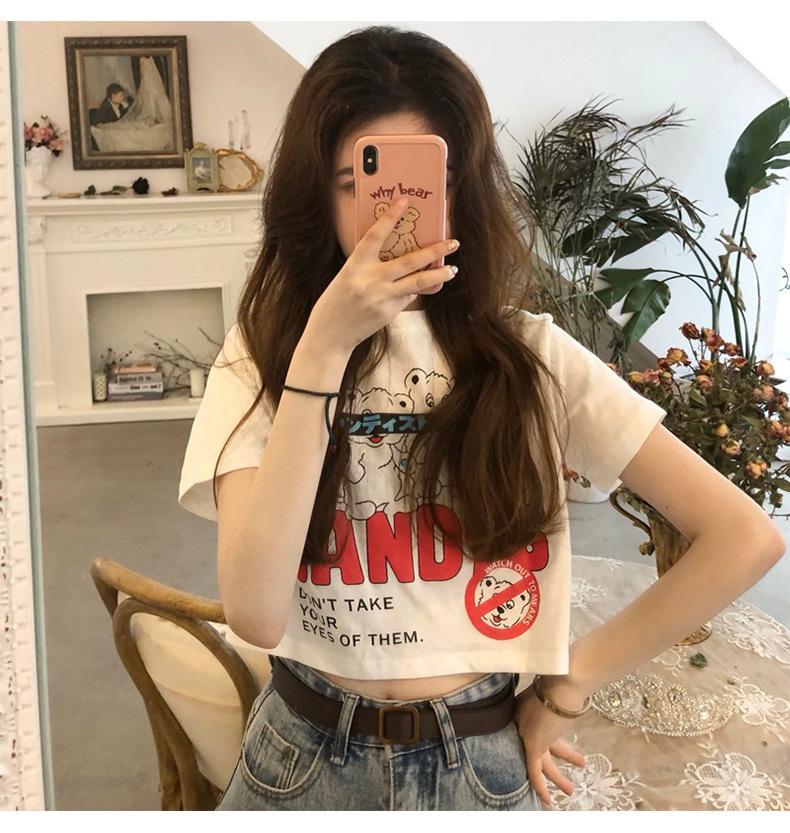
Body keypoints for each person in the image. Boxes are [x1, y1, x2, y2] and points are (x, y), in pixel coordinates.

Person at [177, 26, 784, 811]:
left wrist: (571, 682)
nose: (390, 214)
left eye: (420, 185)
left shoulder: (532, 357)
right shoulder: (261, 355)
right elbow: (255, 613)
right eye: (357, 182)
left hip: (477, 762)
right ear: (315, 194)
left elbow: (743, 536)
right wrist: (323, 347)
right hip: (301, 755)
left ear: (460, 190)